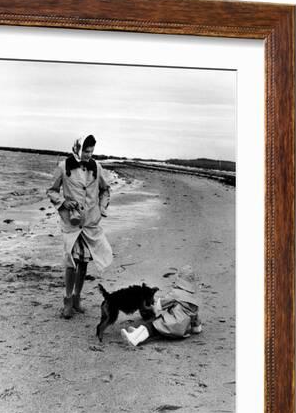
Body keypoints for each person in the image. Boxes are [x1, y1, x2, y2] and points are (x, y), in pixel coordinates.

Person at [47, 134, 113, 318]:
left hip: (90, 223)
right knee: (71, 261)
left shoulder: (96, 167)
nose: (88, 155)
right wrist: (62, 202)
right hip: (72, 223)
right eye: (85, 151)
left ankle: (77, 298)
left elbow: (105, 190)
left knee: (83, 263)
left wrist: (101, 210)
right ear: (77, 148)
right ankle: (67, 300)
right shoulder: (63, 166)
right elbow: (51, 190)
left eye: (91, 151)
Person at [121, 265, 203, 345]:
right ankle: (137, 332)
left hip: (171, 325)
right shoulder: (194, 300)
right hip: (181, 331)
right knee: (157, 331)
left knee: (151, 326)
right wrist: (196, 328)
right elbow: (195, 320)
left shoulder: (175, 293)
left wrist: (154, 309)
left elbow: (161, 304)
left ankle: (133, 338)